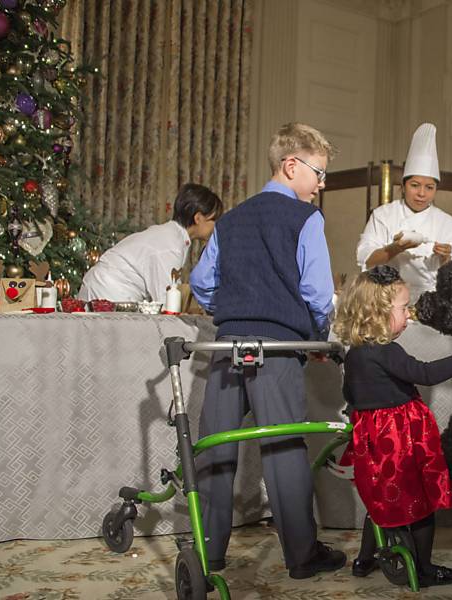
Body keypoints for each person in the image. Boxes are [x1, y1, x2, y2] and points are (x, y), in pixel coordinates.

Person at [188, 122, 345, 579]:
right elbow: (318, 295)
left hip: (226, 344)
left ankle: (209, 552)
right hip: (276, 347)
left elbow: (203, 284)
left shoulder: (232, 218)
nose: (321, 184)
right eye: (318, 173)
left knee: (215, 447)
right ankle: (302, 555)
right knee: (283, 448)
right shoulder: (306, 219)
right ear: (290, 165)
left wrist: (237, 309)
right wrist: (316, 336)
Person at [333, 265, 452, 587]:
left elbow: (350, 395)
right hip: (398, 440)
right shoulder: (387, 352)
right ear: (379, 312)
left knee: (379, 503)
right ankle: (424, 568)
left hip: (371, 441)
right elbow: (424, 374)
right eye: (403, 309)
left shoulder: (355, 354)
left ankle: (364, 559)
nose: (409, 316)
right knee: (421, 505)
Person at [356, 123, 452, 301]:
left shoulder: (449, 224)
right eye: (415, 185)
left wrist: (446, 258)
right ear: (403, 186)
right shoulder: (383, 215)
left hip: (431, 300)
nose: (421, 193)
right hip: (386, 298)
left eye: (429, 187)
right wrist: (395, 248)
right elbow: (367, 261)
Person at [78, 183, 222, 302]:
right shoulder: (170, 245)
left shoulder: (171, 236)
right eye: (214, 220)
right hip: (108, 292)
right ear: (198, 218)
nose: (216, 226)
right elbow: (166, 299)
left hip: (106, 289)